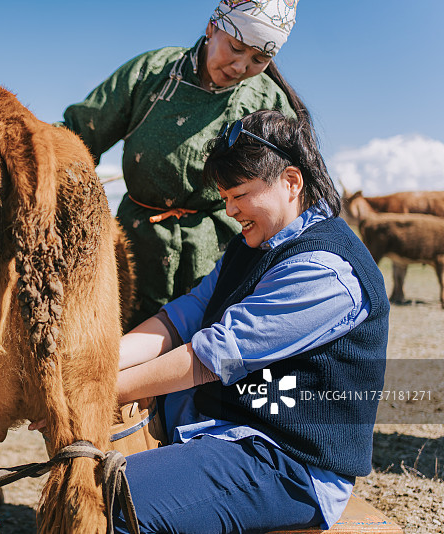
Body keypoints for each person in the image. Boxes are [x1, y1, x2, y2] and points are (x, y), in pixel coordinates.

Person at [110, 109, 390, 533]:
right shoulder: (252, 245)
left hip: (287, 459)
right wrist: (100, 365)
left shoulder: (326, 270)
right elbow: (182, 316)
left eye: (238, 194)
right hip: (235, 427)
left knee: (114, 501)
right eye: (224, 198)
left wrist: (95, 391)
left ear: (291, 182)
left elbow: (212, 357)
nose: (229, 209)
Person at [59, 0, 305, 328]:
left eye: (259, 59)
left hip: (220, 258)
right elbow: (77, 134)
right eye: (235, 47)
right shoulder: (153, 72)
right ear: (212, 28)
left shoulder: (269, 103)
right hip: (135, 250)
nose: (240, 66)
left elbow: (291, 201)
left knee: (205, 357)